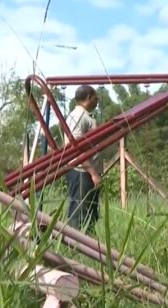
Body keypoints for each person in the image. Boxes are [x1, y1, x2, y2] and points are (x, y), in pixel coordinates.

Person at [64, 85, 101, 234]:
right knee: (79, 212)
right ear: (88, 97)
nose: (97, 99)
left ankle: (89, 247)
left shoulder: (85, 115)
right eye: (95, 96)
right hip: (81, 171)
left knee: (90, 212)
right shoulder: (79, 116)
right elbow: (75, 148)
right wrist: (93, 173)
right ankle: (76, 246)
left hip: (86, 171)